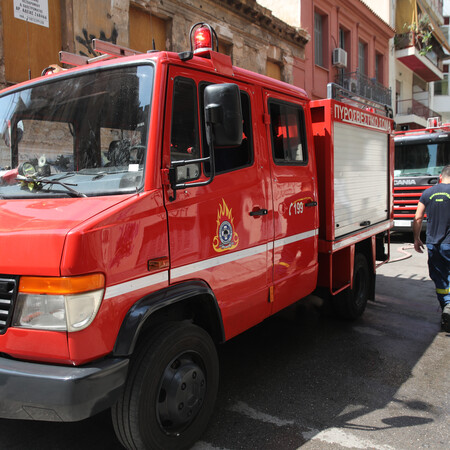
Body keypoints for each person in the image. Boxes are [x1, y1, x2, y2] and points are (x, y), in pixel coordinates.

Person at [413, 165, 450, 332]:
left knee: (440, 278)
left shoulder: (428, 193)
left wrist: (416, 238)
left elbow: (418, 217)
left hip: (434, 244)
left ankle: (446, 307)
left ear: (440, 177)